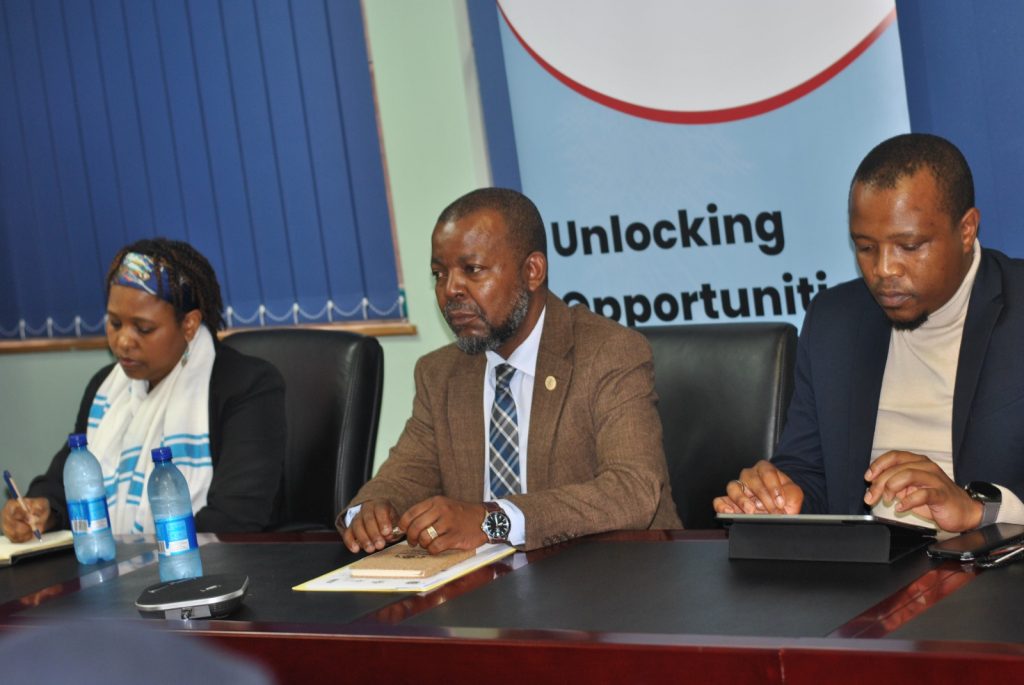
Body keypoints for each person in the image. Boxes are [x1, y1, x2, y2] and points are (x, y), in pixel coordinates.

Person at [338, 188, 680, 554]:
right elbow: (406, 474)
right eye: (439, 274)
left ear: (532, 271)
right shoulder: (439, 374)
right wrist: (370, 510)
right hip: (486, 581)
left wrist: (492, 521)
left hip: (610, 572)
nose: (450, 290)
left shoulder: (609, 352)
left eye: (472, 270)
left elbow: (632, 490)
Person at [714, 133, 1024, 534]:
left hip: (993, 563)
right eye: (865, 247)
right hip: (867, 564)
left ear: (966, 230)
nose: (883, 270)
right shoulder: (835, 321)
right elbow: (809, 471)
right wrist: (780, 497)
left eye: (909, 246)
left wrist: (979, 509)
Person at [1, 238, 285, 541]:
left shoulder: (245, 385)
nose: (123, 341)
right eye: (115, 323)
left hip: (209, 564)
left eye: (143, 328)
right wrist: (44, 508)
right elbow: (66, 478)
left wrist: (147, 556)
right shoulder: (106, 388)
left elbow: (235, 517)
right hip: (119, 563)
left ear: (189, 324)